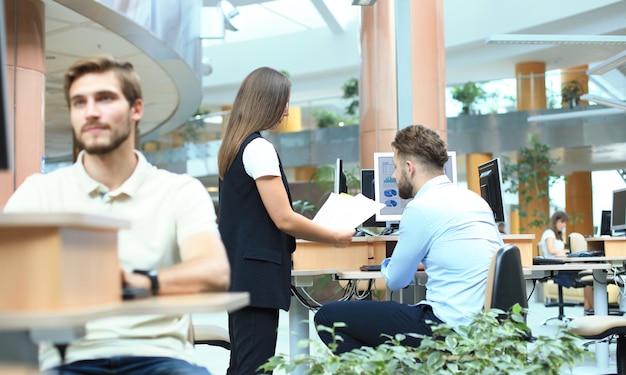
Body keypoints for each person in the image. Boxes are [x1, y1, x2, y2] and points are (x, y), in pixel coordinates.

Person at [3, 54, 231, 374]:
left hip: (158, 356)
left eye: (105, 98)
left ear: (136, 109)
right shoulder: (39, 192)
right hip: (70, 359)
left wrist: (139, 282)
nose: (91, 112)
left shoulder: (179, 190)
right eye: (79, 102)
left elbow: (214, 272)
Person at [314, 124, 503, 354]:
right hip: (484, 325)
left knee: (328, 317)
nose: (393, 175)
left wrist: (387, 264)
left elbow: (396, 281)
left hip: (446, 325)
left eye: (394, 168)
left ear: (409, 167)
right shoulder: (475, 201)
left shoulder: (421, 208)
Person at [217, 66, 355, 374]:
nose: (286, 111)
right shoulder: (259, 148)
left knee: (242, 365)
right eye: (283, 101)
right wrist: (333, 235)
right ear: (265, 103)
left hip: (240, 274)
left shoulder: (234, 147)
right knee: (255, 367)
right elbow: (284, 219)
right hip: (256, 276)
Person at [540, 211, 594, 314]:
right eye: (562, 222)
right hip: (554, 268)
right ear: (555, 221)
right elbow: (551, 250)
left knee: (587, 275)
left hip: (560, 265)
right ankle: (593, 310)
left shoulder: (558, 235)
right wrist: (567, 252)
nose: (564, 225)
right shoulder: (549, 233)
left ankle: (589, 309)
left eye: (565, 223)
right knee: (586, 276)